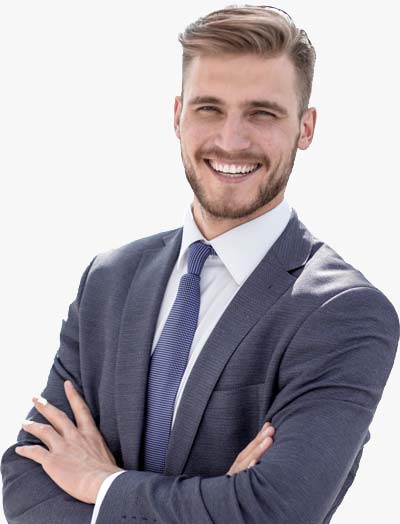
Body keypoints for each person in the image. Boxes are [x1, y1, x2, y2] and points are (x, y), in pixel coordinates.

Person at [2, 5, 399, 524]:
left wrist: (102, 484)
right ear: (177, 115)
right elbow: (25, 482)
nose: (231, 140)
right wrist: (214, 500)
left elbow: (275, 511)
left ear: (305, 127)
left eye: (263, 113)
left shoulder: (345, 313)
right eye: (209, 108)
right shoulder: (108, 280)